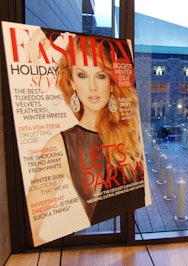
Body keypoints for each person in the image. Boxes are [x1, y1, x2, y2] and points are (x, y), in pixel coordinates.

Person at [26, 31, 145, 245]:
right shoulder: (61, 145)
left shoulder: (129, 129)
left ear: (111, 81)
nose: (92, 87)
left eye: (100, 75)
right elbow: (31, 227)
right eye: (82, 75)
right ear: (71, 81)